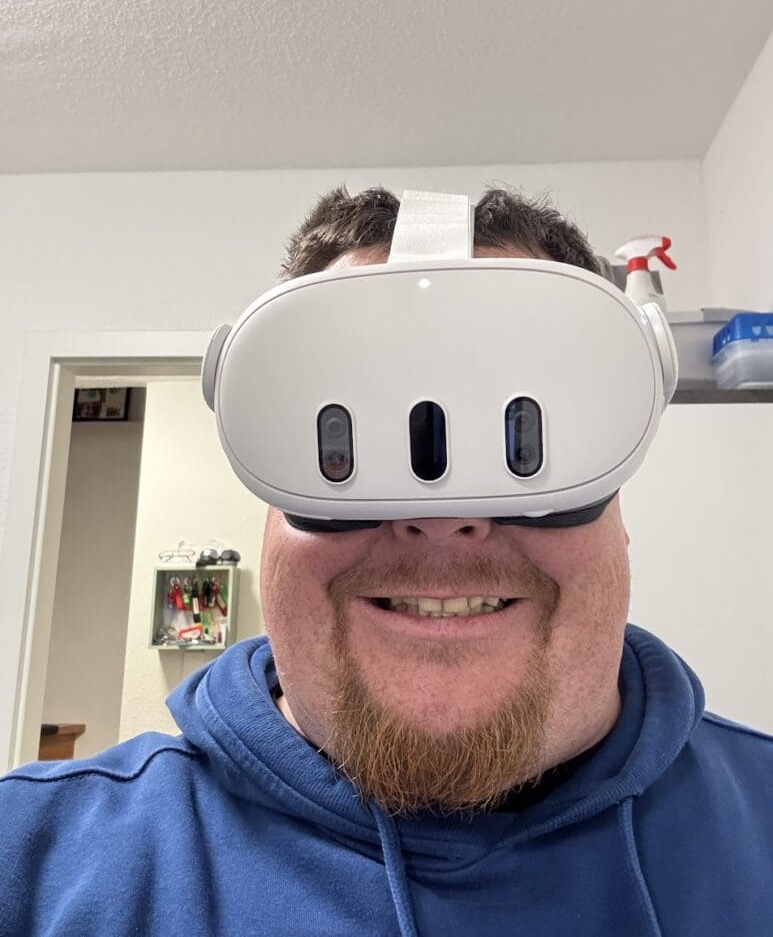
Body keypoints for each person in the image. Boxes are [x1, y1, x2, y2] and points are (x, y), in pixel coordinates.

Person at [2, 187, 772, 937]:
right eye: (341, 447)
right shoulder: (29, 865)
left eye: (524, 444)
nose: (438, 521)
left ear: (619, 508)